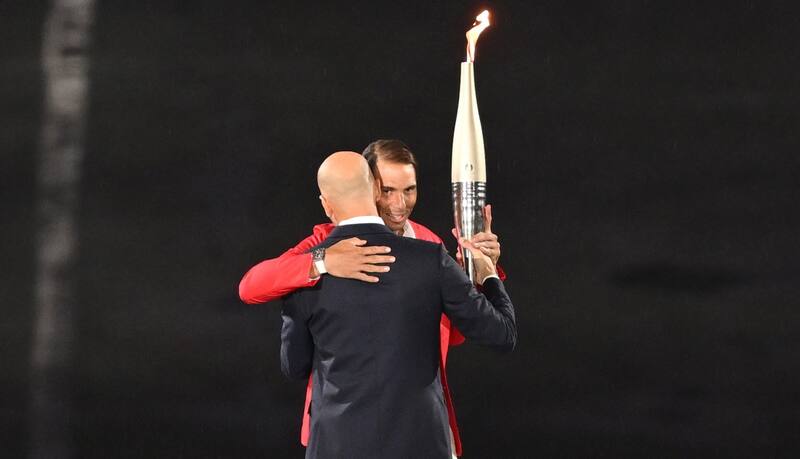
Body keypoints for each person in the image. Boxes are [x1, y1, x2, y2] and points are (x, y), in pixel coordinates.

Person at [239, 139, 505, 456]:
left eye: (409, 190)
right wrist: (321, 261)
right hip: (343, 428)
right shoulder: (326, 241)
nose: (399, 204)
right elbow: (251, 287)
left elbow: (454, 334)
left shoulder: (428, 245)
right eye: (387, 190)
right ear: (369, 187)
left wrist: (477, 273)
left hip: (418, 427)